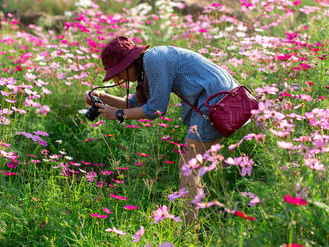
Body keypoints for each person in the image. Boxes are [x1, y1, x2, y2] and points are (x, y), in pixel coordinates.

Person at [84, 35, 238, 223]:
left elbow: (156, 109)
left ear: (130, 63)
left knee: (188, 166)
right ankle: (194, 223)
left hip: (217, 104)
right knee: (190, 165)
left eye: (119, 73)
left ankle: (188, 230)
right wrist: (101, 96)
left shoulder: (154, 60)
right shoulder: (149, 65)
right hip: (217, 101)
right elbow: (132, 103)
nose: (118, 80)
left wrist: (118, 114)